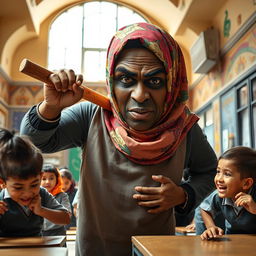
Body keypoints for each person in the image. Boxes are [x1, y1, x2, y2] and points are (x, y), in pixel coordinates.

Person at [20, 22, 217, 255]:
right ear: (112, 80)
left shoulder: (184, 127)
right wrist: (50, 108)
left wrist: (184, 195)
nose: (140, 95)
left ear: (172, 83)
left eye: (154, 81)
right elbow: (33, 141)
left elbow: (209, 173)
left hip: (155, 251)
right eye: (126, 79)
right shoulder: (91, 116)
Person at [0, 128, 70, 237]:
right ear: (3, 183)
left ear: (40, 177)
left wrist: (41, 210)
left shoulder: (42, 194)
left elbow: (66, 218)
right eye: (18, 187)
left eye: (34, 185)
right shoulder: (1, 199)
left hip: (37, 249)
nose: (27, 193)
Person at [200, 146, 256, 240]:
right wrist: (211, 227)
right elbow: (205, 209)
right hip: (231, 241)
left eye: (227, 174)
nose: (219, 179)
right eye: (218, 172)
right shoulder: (219, 195)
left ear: (246, 183)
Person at [41, 163, 71, 236]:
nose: (47, 182)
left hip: (58, 233)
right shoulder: (35, 195)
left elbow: (67, 215)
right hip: (39, 233)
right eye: (44, 178)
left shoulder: (63, 196)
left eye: (51, 178)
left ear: (57, 180)